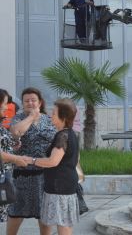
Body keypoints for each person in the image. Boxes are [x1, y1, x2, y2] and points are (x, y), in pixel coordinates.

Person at [22, 98, 80, 235]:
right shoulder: (69, 133)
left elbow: (52, 162)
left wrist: (31, 160)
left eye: (54, 113)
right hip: (64, 185)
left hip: (60, 187)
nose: (50, 115)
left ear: (63, 117)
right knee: (64, 222)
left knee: (63, 224)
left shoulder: (63, 135)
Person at [7, 87, 56, 235]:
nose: (30, 103)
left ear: (40, 102)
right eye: (26, 101)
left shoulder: (49, 119)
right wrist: (31, 118)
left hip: (45, 173)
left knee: (45, 213)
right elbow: (15, 133)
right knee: (16, 211)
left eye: (33, 100)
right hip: (23, 174)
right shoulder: (18, 118)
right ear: (22, 103)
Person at [0, 89, 28, 223]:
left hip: (4, 178)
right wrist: (16, 159)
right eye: (5, 103)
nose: (7, 107)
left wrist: (12, 146)